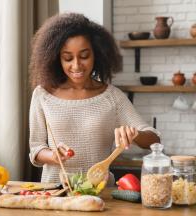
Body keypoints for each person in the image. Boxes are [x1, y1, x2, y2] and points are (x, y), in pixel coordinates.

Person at [28, 13, 160, 184]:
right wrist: (53, 155)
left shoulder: (111, 96)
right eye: (67, 58)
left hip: (101, 194)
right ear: (56, 58)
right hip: (55, 192)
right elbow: (36, 149)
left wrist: (134, 134)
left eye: (84, 56)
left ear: (96, 54)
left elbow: (154, 139)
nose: (76, 65)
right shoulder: (43, 95)